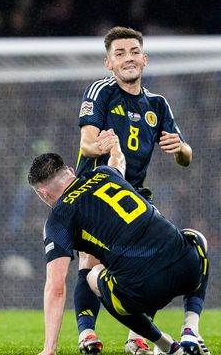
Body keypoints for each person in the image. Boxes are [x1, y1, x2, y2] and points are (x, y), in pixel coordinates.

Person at [28, 133, 210, 355]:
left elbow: (56, 287)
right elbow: (118, 162)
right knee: (196, 237)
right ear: (71, 172)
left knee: (93, 275)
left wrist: (49, 349)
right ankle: (191, 327)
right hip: (187, 270)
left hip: (145, 290)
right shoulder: (104, 173)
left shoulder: (59, 218)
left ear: (43, 193)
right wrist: (115, 147)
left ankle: (165, 345)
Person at [74, 26, 193, 354]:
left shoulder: (158, 104)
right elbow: (85, 145)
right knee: (90, 259)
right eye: (120, 54)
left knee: (152, 263)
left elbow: (186, 157)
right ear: (108, 63)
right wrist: (104, 147)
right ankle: (87, 334)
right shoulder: (101, 91)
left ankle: (136, 337)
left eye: (133, 52)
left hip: (133, 195)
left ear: (144, 58)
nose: (128, 58)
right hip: (95, 191)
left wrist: (180, 148)